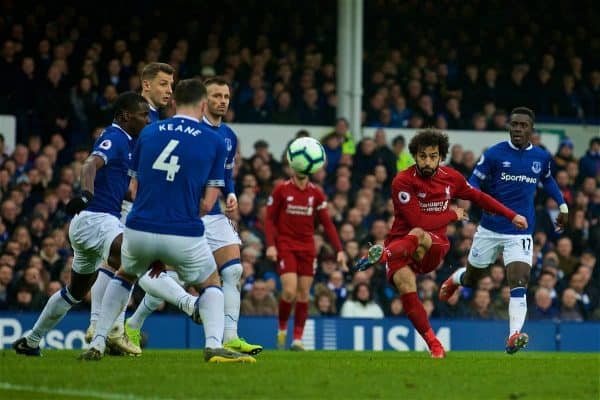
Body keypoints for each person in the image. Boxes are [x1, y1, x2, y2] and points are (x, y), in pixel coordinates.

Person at [80, 79, 254, 363]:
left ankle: (98, 342)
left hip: (139, 225)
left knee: (124, 275)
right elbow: (209, 204)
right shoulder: (214, 139)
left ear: (173, 103)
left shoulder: (148, 132)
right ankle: (213, 344)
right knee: (211, 281)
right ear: (202, 105)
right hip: (182, 229)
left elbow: (133, 191)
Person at [355, 128, 527, 358]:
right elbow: (417, 219)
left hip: (432, 247)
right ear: (414, 156)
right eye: (423, 156)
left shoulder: (451, 178)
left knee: (419, 233)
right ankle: (434, 345)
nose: (428, 161)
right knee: (406, 285)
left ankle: (381, 256)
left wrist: (511, 215)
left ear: (441, 156)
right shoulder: (402, 181)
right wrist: (451, 215)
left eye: (433, 156)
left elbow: (479, 197)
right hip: (401, 244)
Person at [124, 77, 262, 355]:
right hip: (182, 215)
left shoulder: (228, 137)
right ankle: (133, 324)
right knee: (169, 276)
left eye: (226, 96)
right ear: (203, 101)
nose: (222, 101)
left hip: (212, 213)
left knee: (233, 270)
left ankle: (230, 336)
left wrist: (231, 193)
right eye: (216, 96)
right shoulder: (187, 133)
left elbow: (223, 174)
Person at [13, 92, 150, 356]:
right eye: (142, 115)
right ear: (125, 116)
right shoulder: (115, 137)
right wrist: (86, 194)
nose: (146, 120)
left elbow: (113, 181)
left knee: (75, 293)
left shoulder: (127, 141)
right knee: (132, 262)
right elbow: (89, 165)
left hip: (88, 224)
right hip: (97, 219)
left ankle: (31, 340)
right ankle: (110, 329)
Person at [439, 107, 568, 354]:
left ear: (531, 129)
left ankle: (513, 336)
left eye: (523, 125)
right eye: (514, 124)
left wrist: (562, 205)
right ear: (509, 127)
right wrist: (466, 198)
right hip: (490, 228)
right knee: (473, 279)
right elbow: (474, 181)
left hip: (520, 232)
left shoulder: (540, 157)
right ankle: (456, 279)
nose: (518, 129)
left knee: (519, 281)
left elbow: (549, 180)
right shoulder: (495, 154)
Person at [85, 62, 175, 348]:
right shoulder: (138, 117)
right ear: (146, 84)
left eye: (171, 85)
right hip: (130, 200)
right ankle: (111, 328)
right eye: (163, 84)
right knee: (128, 265)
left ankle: (100, 324)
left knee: (116, 265)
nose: (169, 90)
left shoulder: (154, 118)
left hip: (135, 199)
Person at [266, 165, 347, 350]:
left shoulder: (316, 193)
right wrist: (271, 245)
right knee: (289, 291)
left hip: (307, 248)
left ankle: (297, 339)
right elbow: (269, 219)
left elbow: (327, 224)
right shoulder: (281, 189)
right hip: (286, 245)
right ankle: (282, 330)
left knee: (303, 294)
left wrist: (339, 250)